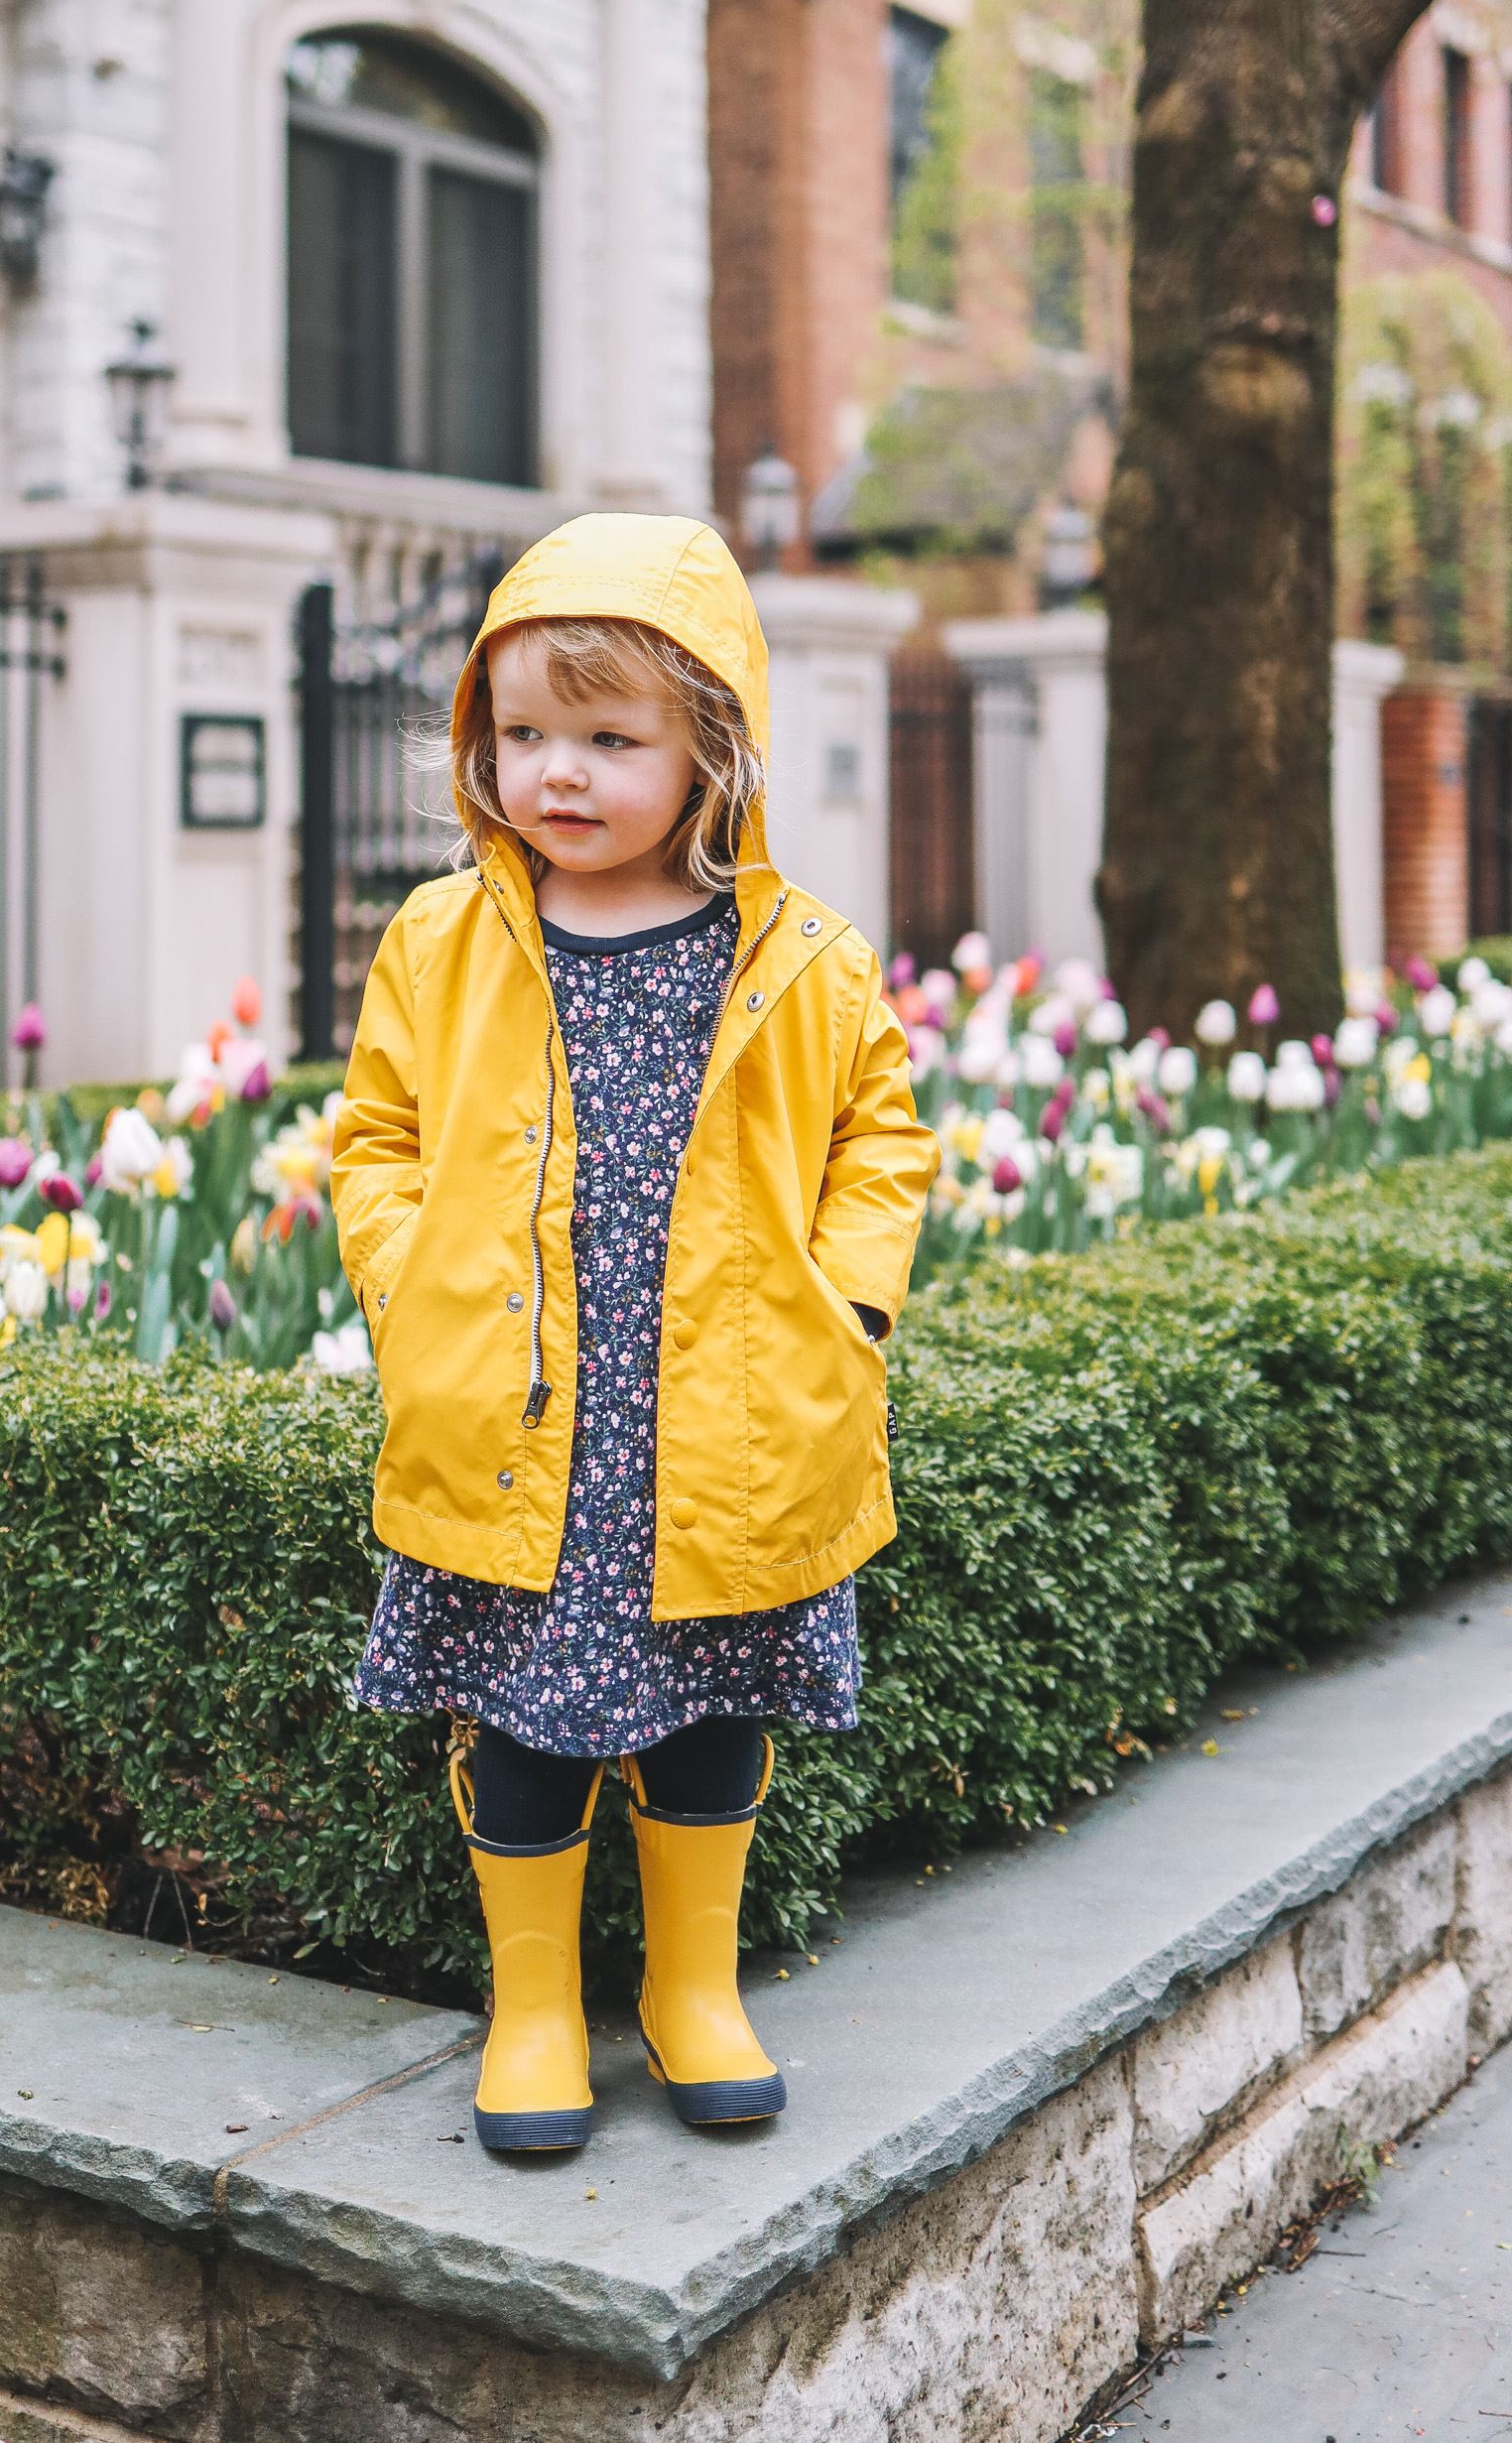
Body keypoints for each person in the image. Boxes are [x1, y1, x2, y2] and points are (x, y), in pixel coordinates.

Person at [332, 514, 939, 2154]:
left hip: (721, 1425)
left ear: (712, 755)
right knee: (523, 1719)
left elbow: (880, 1137)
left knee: (708, 1715)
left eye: (612, 739)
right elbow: (374, 1138)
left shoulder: (798, 956)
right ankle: (535, 2011)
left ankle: (693, 1991)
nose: (561, 775)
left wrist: (853, 1297)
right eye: (524, 735)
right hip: (525, 1423)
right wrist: (409, 1288)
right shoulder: (442, 943)